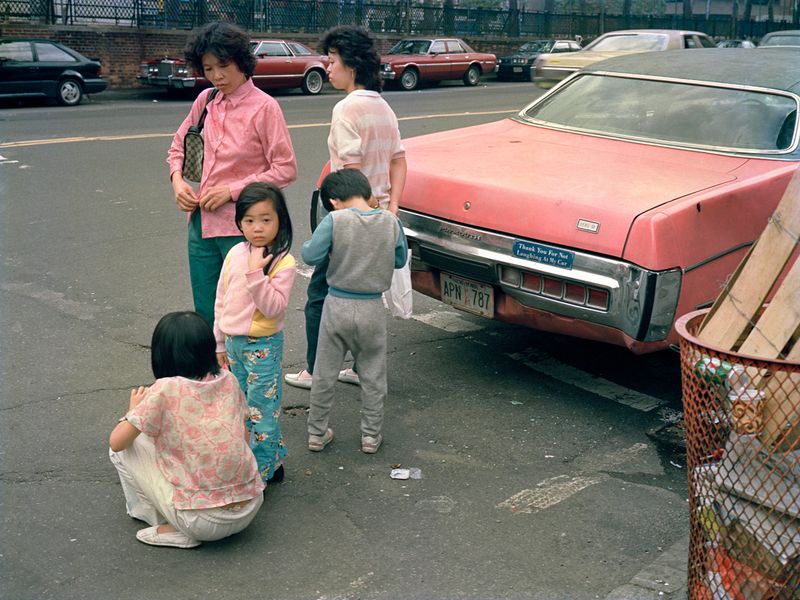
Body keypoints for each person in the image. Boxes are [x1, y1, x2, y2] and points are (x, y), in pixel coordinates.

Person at [284, 25, 406, 391]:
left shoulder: (346, 108)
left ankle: (313, 369)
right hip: (381, 214)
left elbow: (350, 170)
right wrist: (391, 207)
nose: (328, 68)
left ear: (351, 65)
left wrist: (347, 211)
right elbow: (399, 160)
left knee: (322, 293)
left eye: (333, 61)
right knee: (366, 292)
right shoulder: (384, 107)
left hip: (346, 215)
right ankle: (358, 366)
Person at [167, 21, 297, 329]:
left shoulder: (264, 108)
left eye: (223, 66)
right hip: (201, 222)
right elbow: (178, 148)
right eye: (208, 68)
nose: (217, 76)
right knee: (206, 306)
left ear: (241, 60)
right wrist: (177, 180)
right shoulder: (206, 100)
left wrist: (232, 190)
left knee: (242, 309)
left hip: (243, 226)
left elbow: (285, 168)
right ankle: (213, 372)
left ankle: (245, 372)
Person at [109, 311, 264, 549]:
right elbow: (242, 437)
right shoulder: (229, 380)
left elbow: (116, 442)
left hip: (200, 522)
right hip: (250, 506)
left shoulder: (165, 388)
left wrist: (133, 410)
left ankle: (164, 522)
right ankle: (179, 516)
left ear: (162, 355)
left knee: (126, 446)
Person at [302, 169, 408, 454]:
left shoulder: (335, 220)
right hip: (372, 307)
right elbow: (399, 260)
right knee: (373, 374)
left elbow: (310, 255)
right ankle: (371, 437)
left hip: (336, 304)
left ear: (334, 201)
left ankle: (317, 433)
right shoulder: (390, 222)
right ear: (365, 191)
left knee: (324, 373)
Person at [214, 182, 296, 483]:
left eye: (266, 219)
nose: (257, 227)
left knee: (262, 410)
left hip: (263, 345)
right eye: (249, 220)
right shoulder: (236, 252)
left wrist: (256, 275)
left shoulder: (283, 262)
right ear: (239, 223)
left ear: (280, 221)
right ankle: (272, 460)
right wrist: (218, 341)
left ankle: (259, 475)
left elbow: (274, 307)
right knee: (243, 409)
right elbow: (221, 298)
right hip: (234, 345)